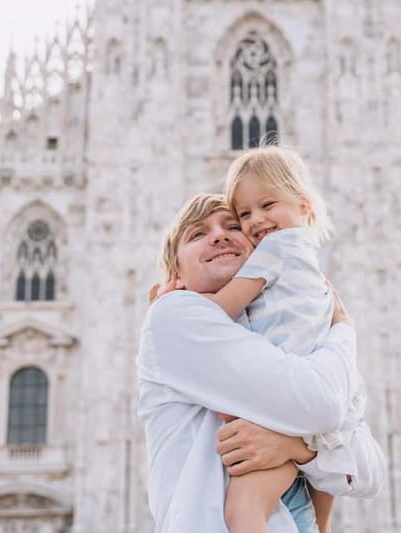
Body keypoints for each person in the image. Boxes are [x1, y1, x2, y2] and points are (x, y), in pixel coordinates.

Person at [137, 193, 385, 533]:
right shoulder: (174, 316)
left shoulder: (288, 331)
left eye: (232, 227)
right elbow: (325, 406)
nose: (218, 236)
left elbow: (371, 472)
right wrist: (342, 332)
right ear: (175, 273)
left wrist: (297, 449)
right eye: (197, 234)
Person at [203, 145, 363, 533]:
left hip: (283, 400)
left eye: (267, 205)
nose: (256, 220)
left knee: (242, 510)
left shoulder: (273, 250)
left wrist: (180, 300)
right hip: (331, 408)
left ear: (303, 206)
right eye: (244, 214)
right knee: (317, 500)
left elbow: (219, 310)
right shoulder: (308, 258)